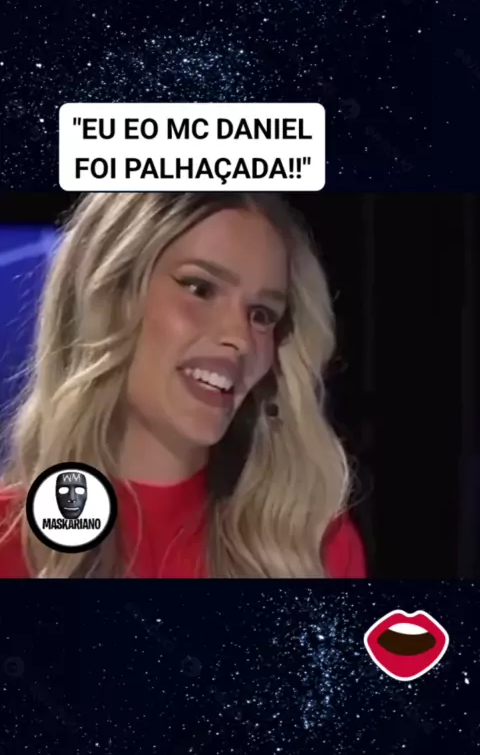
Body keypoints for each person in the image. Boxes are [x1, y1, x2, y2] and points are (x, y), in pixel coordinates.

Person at [0, 192, 366, 578]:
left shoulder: (311, 546)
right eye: (200, 289)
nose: (240, 339)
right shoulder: (9, 541)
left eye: (261, 314)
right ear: (109, 296)